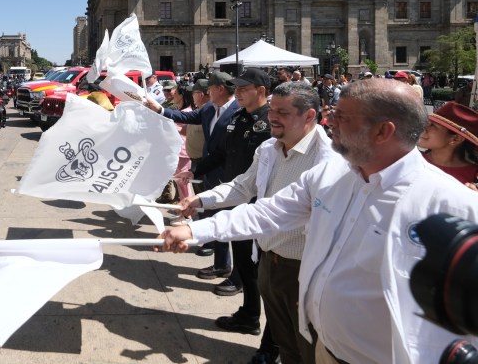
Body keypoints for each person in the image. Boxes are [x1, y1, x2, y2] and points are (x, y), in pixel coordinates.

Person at [159, 78, 478, 364]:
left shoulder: (453, 206)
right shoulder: (331, 175)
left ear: (383, 131)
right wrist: (195, 229)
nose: (330, 122)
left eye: (342, 117)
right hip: (326, 347)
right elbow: (269, 211)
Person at [176, 81, 331, 364]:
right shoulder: (269, 148)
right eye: (272, 110)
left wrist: (196, 230)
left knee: (307, 349)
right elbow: (243, 186)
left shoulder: (328, 161)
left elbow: (270, 212)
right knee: (285, 343)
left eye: (282, 112)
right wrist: (202, 200)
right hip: (269, 258)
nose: (272, 117)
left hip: (302, 268)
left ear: (309, 115)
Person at [191, 68, 271, 328]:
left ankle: (263, 325)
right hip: (235, 195)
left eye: (243, 89)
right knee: (244, 261)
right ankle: (249, 314)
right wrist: (193, 171)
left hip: (259, 203)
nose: (237, 93)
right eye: (236, 88)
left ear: (261, 91)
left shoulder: (271, 122)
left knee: (260, 267)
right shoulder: (238, 117)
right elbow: (221, 153)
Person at [144, 71, 239, 267]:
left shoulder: (238, 110)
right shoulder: (209, 108)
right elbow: (187, 117)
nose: (207, 92)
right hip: (209, 167)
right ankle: (220, 263)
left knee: (229, 220)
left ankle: (230, 269)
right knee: (212, 213)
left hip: (230, 173)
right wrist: (159, 110)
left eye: (210, 88)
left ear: (220, 89)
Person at [418, 101, 478, 189]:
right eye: (428, 123)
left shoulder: (474, 177)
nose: (424, 128)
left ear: (456, 139)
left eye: (433, 125)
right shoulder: (410, 159)